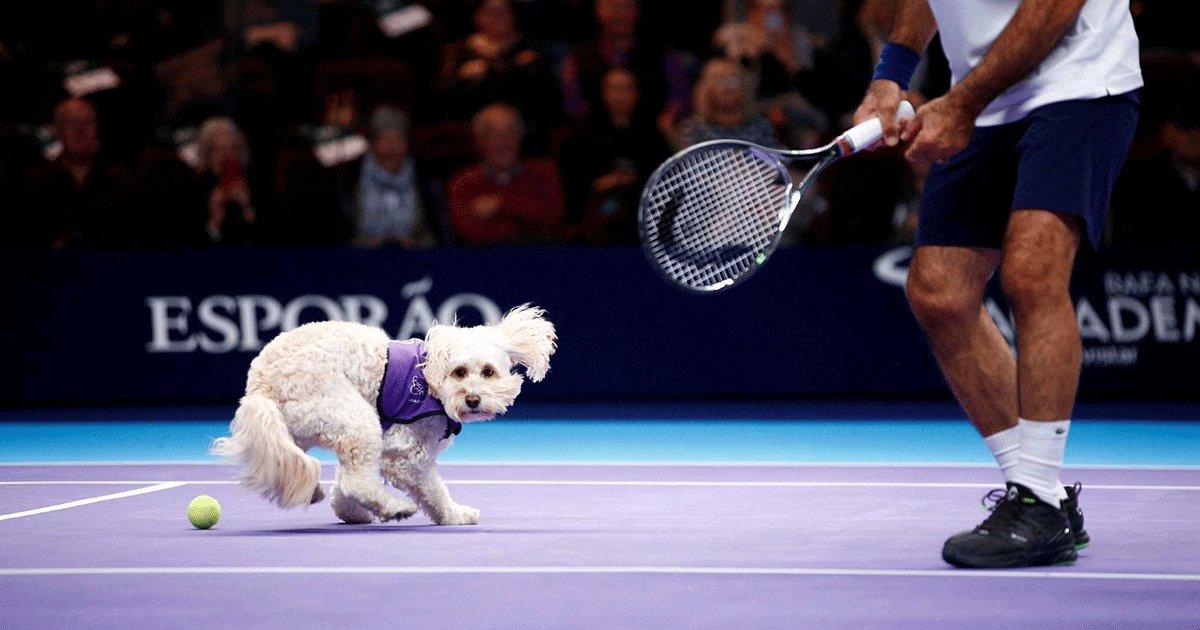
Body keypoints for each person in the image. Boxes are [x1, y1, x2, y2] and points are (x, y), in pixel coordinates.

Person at [853, 0, 1141, 568]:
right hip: (984, 98)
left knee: (1033, 271)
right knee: (940, 292)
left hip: (1080, 82)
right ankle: (1044, 501)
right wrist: (891, 74)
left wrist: (959, 104)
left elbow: (1055, 7)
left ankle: (1035, 496)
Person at [558, 68, 670, 244]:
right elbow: (572, 183)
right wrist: (602, 184)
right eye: (614, 89)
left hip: (643, 221)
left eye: (627, 89)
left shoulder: (653, 136)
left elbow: (665, 181)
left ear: (637, 94)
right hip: (594, 219)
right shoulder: (580, 137)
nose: (621, 96)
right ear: (603, 93)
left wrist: (631, 180)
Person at [16, 97, 136, 249]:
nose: (81, 130)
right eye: (71, 123)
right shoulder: (35, 183)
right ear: (58, 131)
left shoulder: (122, 181)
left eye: (87, 122)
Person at [447, 103, 564, 245]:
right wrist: (527, 219)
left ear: (521, 138)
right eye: (494, 134)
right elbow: (469, 232)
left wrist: (500, 205)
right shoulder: (462, 182)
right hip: (485, 263)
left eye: (511, 132)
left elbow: (553, 218)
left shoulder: (544, 172)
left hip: (540, 259)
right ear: (480, 141)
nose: (503, 141)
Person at [437, 0, 561, 127]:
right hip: (471, 127)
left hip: (524, 126)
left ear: (514, 15)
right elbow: (443, 98)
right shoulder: (459, 51)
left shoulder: (533, 50)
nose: (496, 17)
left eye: (503, 11)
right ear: (477, 16)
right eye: (489, 11)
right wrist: (461, 76)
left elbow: (549, 98)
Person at [1111, 101, 1200, 246]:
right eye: (1183, 129)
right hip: (1151, 261)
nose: (1191, 137)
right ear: (1167, 131)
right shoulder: (1145, 179)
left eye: (1196, 129)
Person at [353, 106, 436, 248]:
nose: (392, 148)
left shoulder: (425, 182)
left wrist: (417, 245)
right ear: (372, 145)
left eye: (398, 139)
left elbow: (435, 235)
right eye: (385, 139)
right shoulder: (351, 179)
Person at [672, 58, 779, 150]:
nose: (727, 89)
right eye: (719, 82)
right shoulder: (693, 129)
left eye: (733, 81)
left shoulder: (760, 124)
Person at [195, 117, 260, 245]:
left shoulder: (254, 183)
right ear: (207, 154)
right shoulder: (197, 188)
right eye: (219, 150)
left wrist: (247, 209)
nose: (226, 157)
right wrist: (214, 222)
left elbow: (270, 239)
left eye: (232, 149)